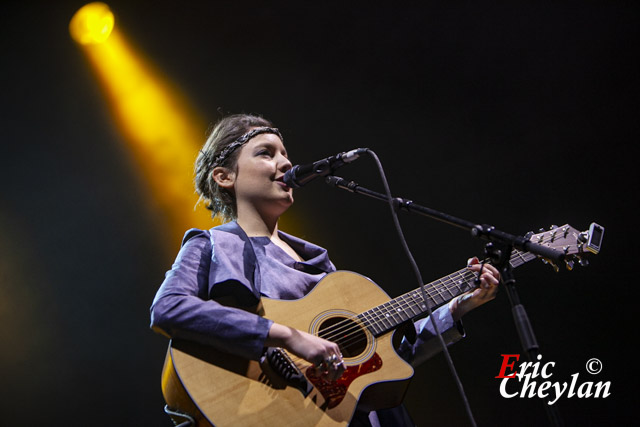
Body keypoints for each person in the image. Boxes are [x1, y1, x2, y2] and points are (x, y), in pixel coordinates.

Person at [150, 114, 500, 426]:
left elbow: (380, 366)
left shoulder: (321, 264)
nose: (285, 163)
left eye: (285, 153)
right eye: (266, 153)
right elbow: (168, 308)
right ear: (224, 177)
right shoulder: (211, 244)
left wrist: (457, 307)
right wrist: (287, 336)